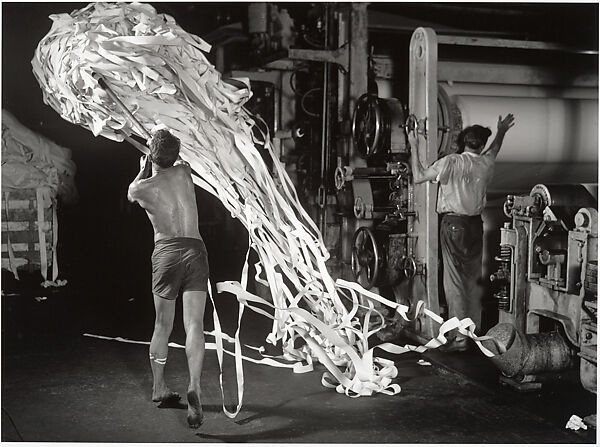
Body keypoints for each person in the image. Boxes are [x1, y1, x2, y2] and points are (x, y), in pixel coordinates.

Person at [408, 114, 515, 352]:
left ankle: (459, 339)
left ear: (463, 141)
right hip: (475, 225)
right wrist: (502, 130)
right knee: (472, 280)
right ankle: (474, 333)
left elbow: (418, 176)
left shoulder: (451, 162)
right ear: (481, 144)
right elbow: (494, 149)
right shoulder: (486, 163)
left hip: (453, 225)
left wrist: (414, 144)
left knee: (454, 282)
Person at [127, 128, 208, 427]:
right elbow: (174, 161)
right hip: (196, 250)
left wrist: (141, 169)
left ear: (150, 155)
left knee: (163, 325)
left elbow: (131, 192)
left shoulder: (141, 188)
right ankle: (195, 386)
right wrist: (157, 154)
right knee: (194, 324)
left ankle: (159, 387)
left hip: (167, 252)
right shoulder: (185, 173)